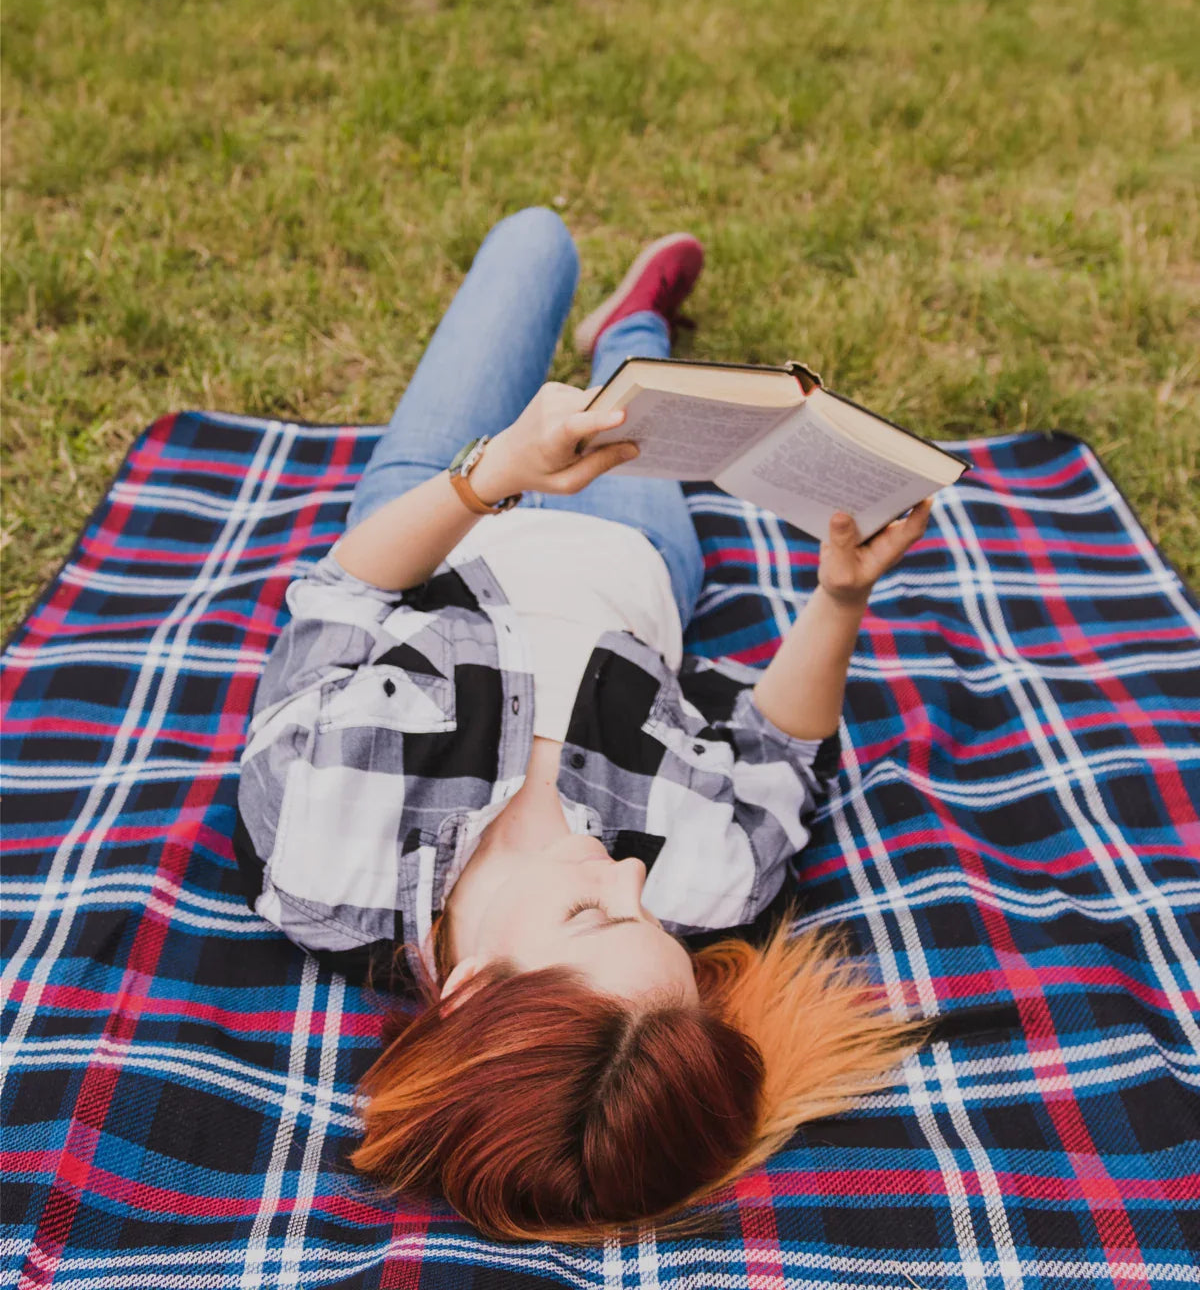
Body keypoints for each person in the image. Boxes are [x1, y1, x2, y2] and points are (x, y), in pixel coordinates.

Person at [234, 206, 933, 1243]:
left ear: (470, 993)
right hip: (635, 556)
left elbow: (340, 596)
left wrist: (500, 473)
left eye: (593, 916)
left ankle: (591, 327)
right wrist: (838, 599)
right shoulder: (712, 885)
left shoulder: (320, 842)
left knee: (533, 243)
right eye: (650, 926)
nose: (633, 880)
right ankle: (632, 326)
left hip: (446, 504)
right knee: (636, 394)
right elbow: (784, 756)